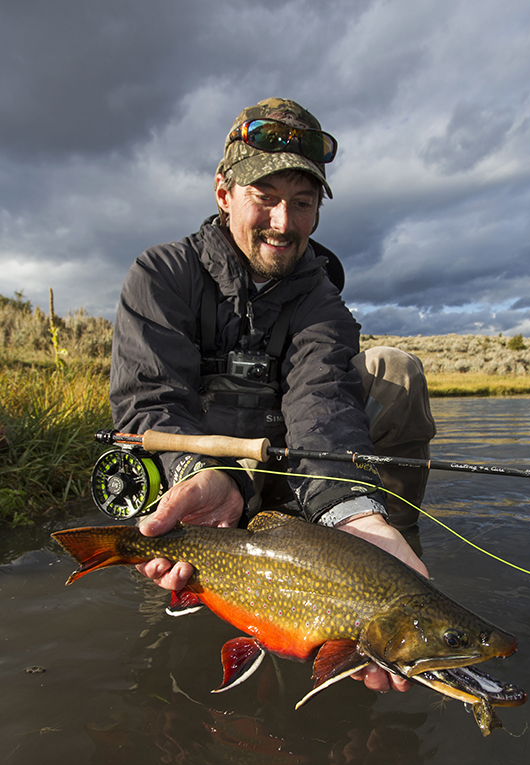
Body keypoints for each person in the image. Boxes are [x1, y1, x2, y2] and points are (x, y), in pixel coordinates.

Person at [110, 98, 436, 693]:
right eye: (266, 197)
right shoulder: (161, 276)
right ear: (223, 192)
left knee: (396, 371)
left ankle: (384, 553)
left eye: (303, 203)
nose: (284, 222)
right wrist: (195, 475)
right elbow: (149, 406)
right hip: (197, 492)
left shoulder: (322, 302)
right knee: (165, 563)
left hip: (294, 476)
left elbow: (323, 404)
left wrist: (352, 512)